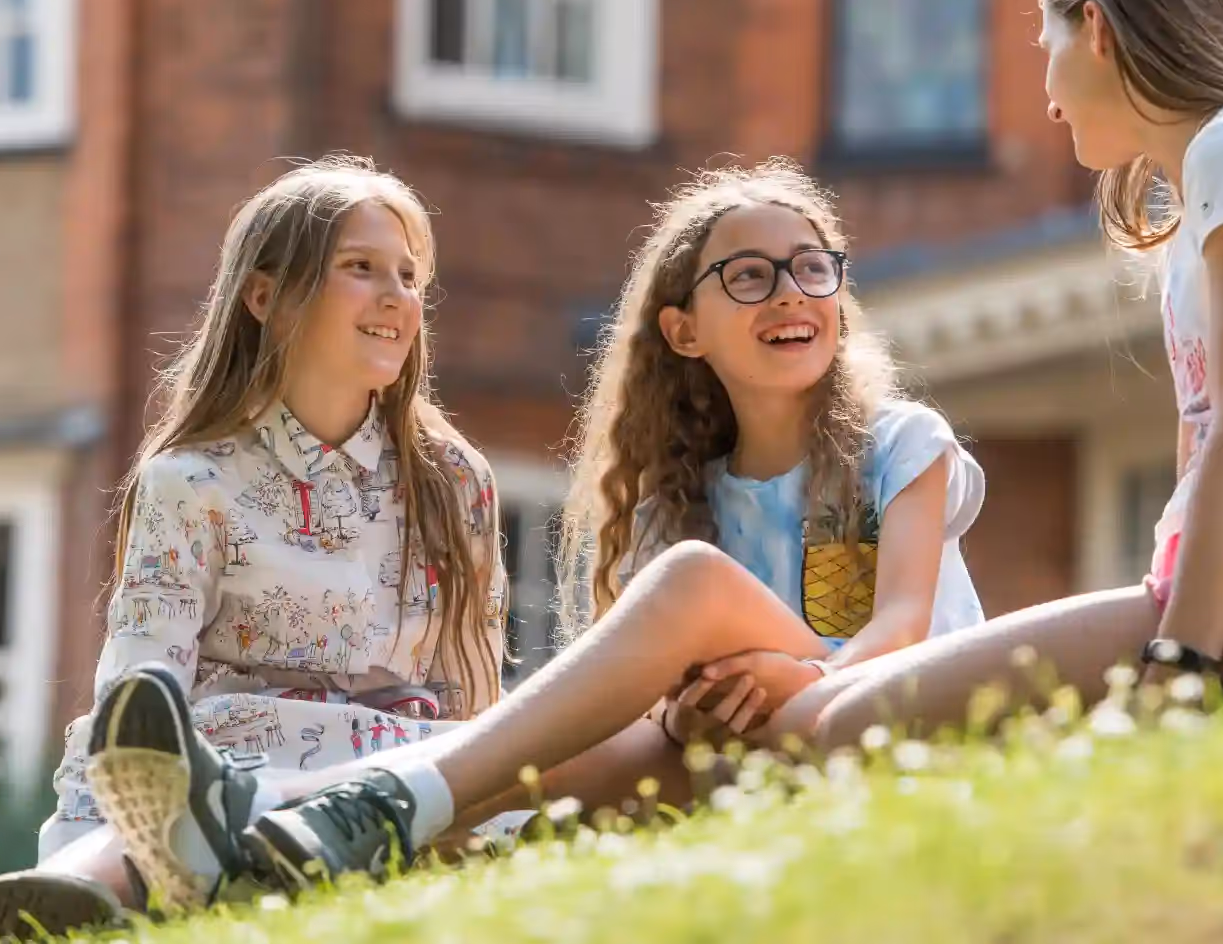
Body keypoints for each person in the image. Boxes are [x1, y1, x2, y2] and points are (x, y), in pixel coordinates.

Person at [197, 0, 1223, 889]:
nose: (1043, 85)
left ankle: (375, 812)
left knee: (820, 720)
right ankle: (303, 822)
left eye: (1047, 45)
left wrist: (1177, 663)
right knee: (728, 723)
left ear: (1098, 28)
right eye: (749, 275)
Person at [70, 160, 988, 892]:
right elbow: (662, 699)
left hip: (894, 699)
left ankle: (304, 811)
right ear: (683, 331)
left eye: (813, 267)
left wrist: (794, 672)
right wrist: (690, 706)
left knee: (690, 590)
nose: (790, 292)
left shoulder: (898, 443)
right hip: (773, 735)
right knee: (628, 711)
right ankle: (113, 872)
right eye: (749, 277)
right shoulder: (678, 497)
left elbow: (902, 630)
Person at [0, 157, 507, 943]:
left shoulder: (456, 480)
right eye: (360, 268)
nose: (395, 297)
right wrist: (88, 827)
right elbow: (140, 695)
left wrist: (488, 801)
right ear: (266, 297)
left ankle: (100, 883)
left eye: (409, 276)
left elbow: (477, 688)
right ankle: (61, 890)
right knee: (183, 807)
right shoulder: (191, 481)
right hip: (233, 764)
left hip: (403, 769)